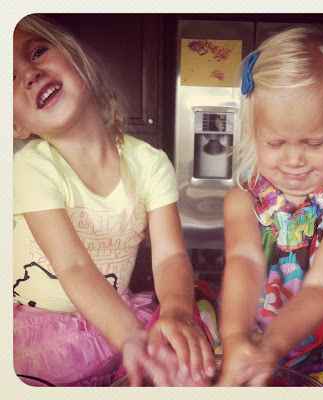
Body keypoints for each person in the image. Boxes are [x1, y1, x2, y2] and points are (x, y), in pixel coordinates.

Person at [13, 14, 216, 387]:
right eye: (8, 78)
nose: (29, 74)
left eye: (38, 52)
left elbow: (170, 257)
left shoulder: (151, 164)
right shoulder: (29, 167)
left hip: (118, 311)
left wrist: (175, 311)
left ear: (83, 62)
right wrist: (130, 336)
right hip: (39, 331)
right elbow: (73, 266)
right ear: (15, 126)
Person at [218, 26, 323, 386]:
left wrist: (272, 348)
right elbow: (244, 264)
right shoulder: (242, 200)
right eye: (275, 143)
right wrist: (234, 338)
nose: (294, 159)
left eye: (314, 142)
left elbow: (322, 286)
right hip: (253, 326)